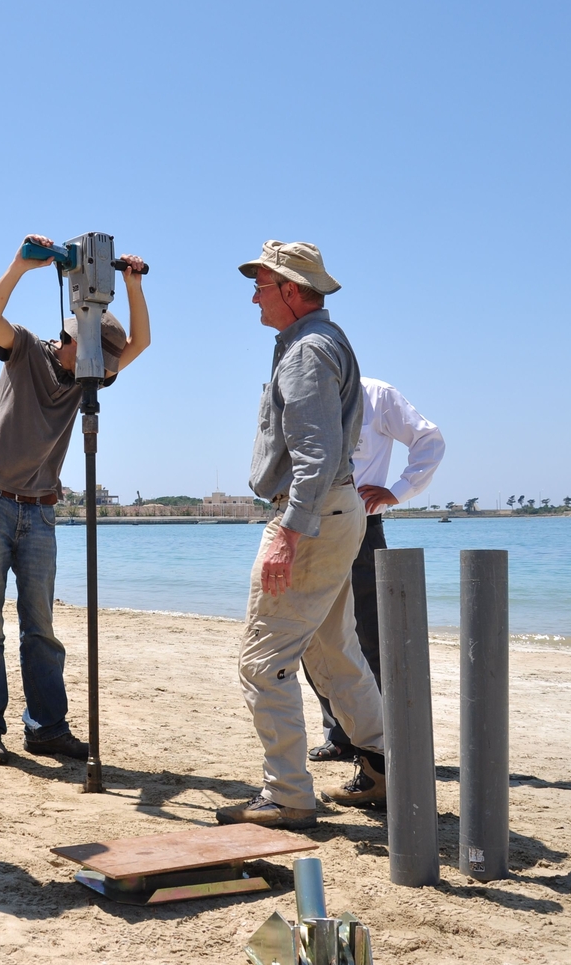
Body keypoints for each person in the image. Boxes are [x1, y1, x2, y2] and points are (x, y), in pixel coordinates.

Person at [216, 240, 385, 831]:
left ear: (290, 289)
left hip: (310, 515)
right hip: (335, 511)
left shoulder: (307, 351)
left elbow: (316, 454)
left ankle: (288, 795)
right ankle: (385, 769)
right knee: (333, 650)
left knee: (263, 663)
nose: (254, 297)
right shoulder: (318, 341)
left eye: (261, 286)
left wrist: (289, 532)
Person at [0, 236, 150, 765]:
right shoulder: (24, 348)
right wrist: (20, 266)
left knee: (41, 630)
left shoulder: (88, 377)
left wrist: (133, 286)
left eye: (105, 364)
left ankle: (46, 729)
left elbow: (140, 343)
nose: (101, 370)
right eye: (93, 357)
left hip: (41, 512)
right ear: (69, 338)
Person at [308, 377, 443, 763]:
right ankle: (340, 733)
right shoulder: (302, 391)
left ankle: (378, 740)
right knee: (314, 637)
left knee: (369, 634)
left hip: (362, 526)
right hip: (308, 527)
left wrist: (399, 491)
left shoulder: (376, 394)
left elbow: (429, 439)